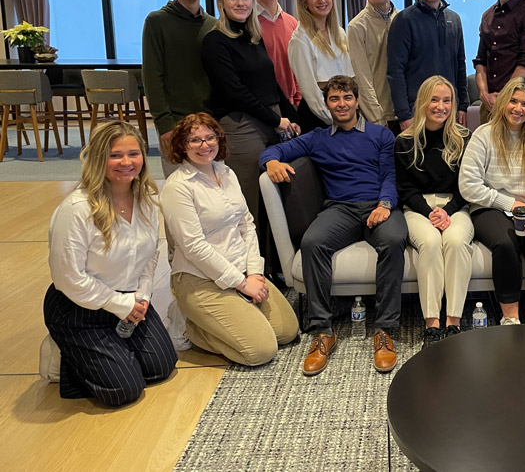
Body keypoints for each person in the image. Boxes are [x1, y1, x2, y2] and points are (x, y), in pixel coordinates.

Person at [259, 75, 406, 376]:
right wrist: (270, 162)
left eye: (347, 97)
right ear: (326, 104)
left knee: (392, 241)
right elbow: (273, 151)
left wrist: (385, 205)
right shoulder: (317, 138)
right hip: (340, 209)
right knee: (313, 243)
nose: (342, 104)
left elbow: (392, 176)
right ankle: (322, 330)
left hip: (378, 205)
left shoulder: (381, 135)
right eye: (334, 99)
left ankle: (384, 329)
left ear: (356, 100)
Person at [43, 121, 176, 406]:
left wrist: (142, 295)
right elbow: (68, 279)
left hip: (131, 298)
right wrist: (119, 305)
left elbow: (150, 255)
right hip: (79, 306)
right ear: (98, 158)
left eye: (134, 154)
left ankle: (111, 356)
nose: (126, 162)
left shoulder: (148, 199)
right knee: (124, 391)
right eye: (115, 155)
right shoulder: (77, 209)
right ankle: (65, 352)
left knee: (161, 367)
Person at [161, 113, 298, 366]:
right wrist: (241, 284)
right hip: (199, 278)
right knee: (260, 351)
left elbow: (246, 223)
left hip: (241, 269)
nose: (205, 145)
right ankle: (190, 324)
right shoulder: (177, 187)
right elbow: (194, 247)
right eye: (195, 140)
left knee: (286, 332)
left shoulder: (226, 172)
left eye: (210, 137)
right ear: (182, 145)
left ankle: (234, 314)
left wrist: (255, 273)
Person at [201, 0, 301, 224]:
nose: (240, 3)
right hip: (242, 125)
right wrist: (277, 120)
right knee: (251, 197)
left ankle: (272, 260)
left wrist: (292, 117)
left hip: (270, 120)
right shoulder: (215, 41)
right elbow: (234, 92)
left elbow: (272, 83)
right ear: (221, 2)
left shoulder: (253, 38)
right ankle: (251, 259)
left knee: (276, 196)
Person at [459, 76, 525, 325]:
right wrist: (508, 204)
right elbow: (468, 186)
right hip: (490, 206)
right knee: (505, 243)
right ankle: (510, 317)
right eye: (513, 101)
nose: (518, 109)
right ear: (503, 102)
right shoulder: (484, 134)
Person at [394, 76, 474, 347]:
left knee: (455, 240)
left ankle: (453, 321)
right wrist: (430, 212)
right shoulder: (405, 141)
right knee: (429, 241)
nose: (441, 106)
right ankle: (432, 323)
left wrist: (447, 211)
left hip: (456, 205)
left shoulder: (464, 138)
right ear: (423, 102)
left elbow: (468, 185)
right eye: (435, 99)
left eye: (447, 100)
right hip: (418, 207)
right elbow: (405, 189)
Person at [142, 0, 216, 178]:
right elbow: (152, 76)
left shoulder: (214, 25)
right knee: (179, 186)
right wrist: (164, 124)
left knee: (211, 187)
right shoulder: (157, 22)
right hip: (175, 121)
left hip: (209, 120)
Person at [387, 0, 469, 130]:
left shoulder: (454, 20)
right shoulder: (404, 21)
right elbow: (395, 71)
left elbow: (460, 65)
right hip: (417, 113)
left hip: (448, 110)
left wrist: (462, 106)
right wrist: (404, 114)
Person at [251, 0, 322, 134]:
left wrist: (297, 101)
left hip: (293, 107)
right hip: (261, 110)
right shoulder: (247, 24)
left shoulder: (293, 23)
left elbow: (298, 68)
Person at [288, 0, 354, 128]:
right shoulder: (300, 39)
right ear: (304, 3)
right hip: (320, 116)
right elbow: (310, 91)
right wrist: (334, 120)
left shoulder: (339, 33)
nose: (321, 0)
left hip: (344, 111)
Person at [348, 0, 399, 129]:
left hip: (406, 111)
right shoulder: (357, 27)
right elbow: (362, 77)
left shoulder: (403, 20)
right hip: (380, 115)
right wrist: (377, 118)